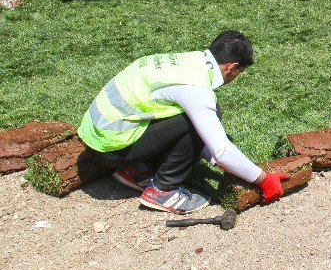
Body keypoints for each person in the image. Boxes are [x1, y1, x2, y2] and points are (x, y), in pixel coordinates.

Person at [77, 31, 288, 215]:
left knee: (188, 116)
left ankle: (136, 170)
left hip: (95, 133)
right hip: (111, 148)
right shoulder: (196, 89)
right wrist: (263, 179)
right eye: (239, 73)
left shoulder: (187, 61)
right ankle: (163, 191)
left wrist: (217, 161)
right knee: (202, 116)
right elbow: (220, 149)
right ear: (231, 67)